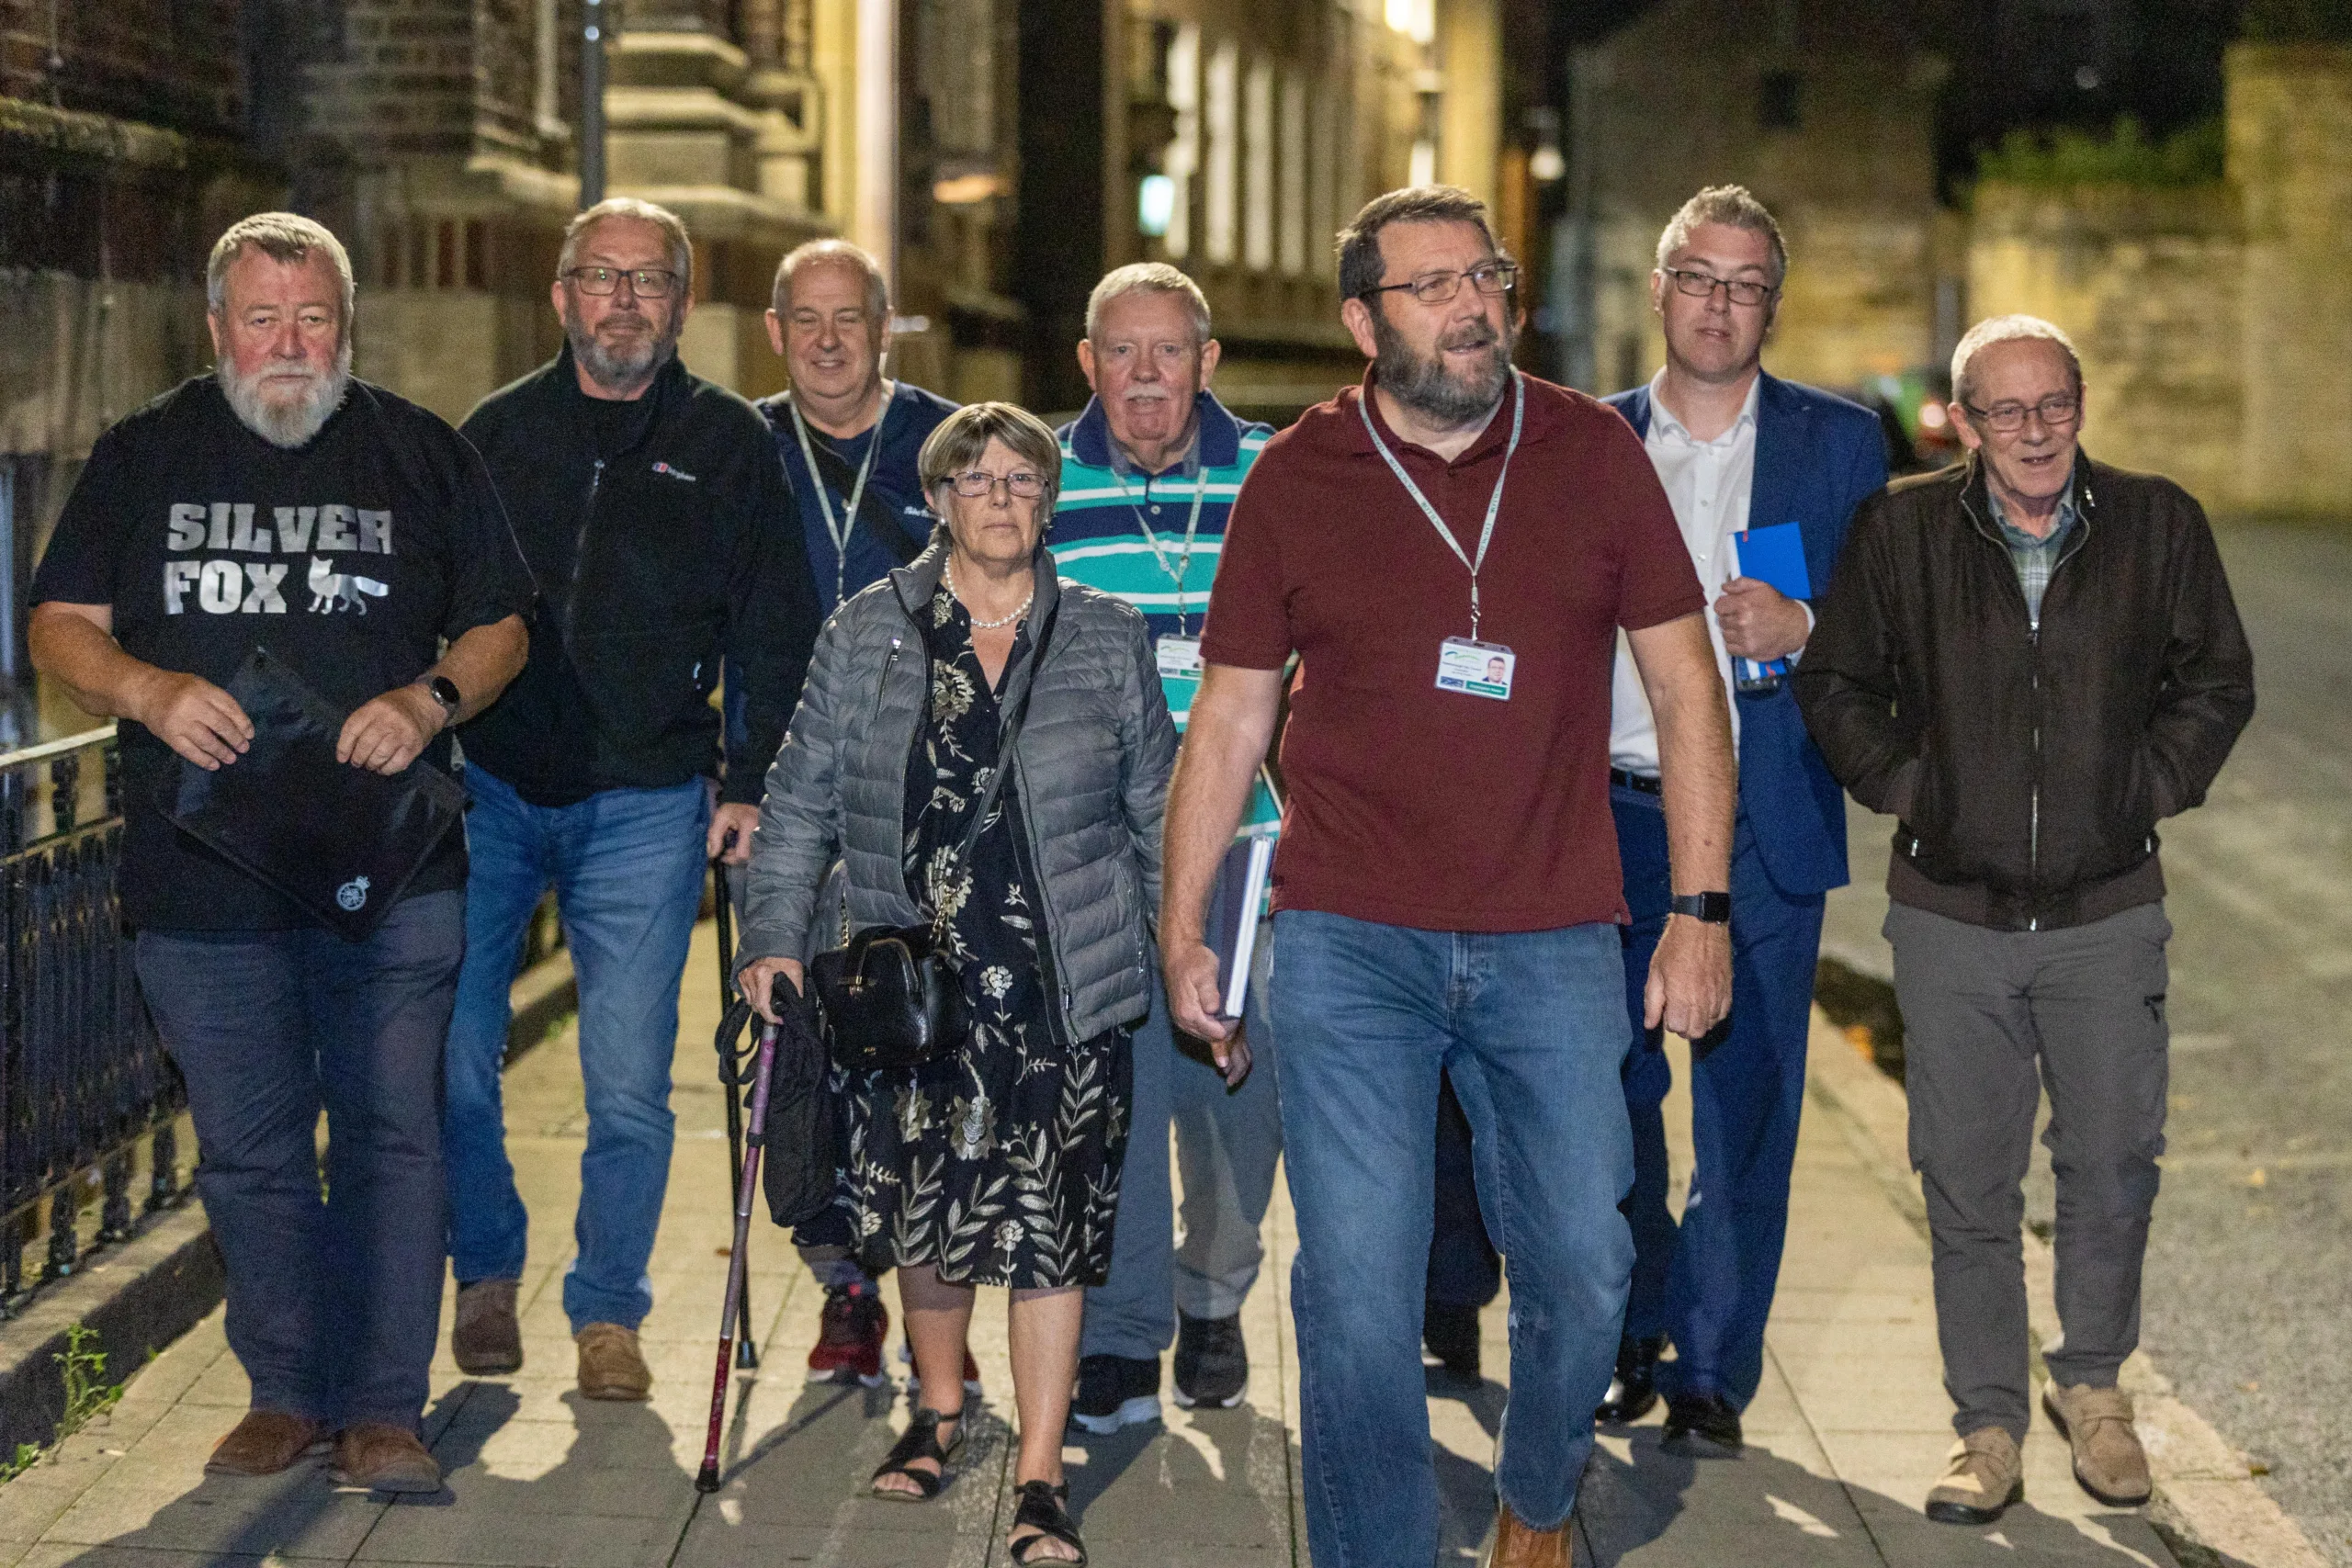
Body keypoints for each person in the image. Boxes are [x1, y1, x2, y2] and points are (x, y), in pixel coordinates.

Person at [1166, 185, 1736, 1568]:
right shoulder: (1298, 476)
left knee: (1589, 1259)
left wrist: (1699, 908)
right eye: (1431, 286)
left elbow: (1682, 681)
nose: (1472, 303)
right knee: (1359, 1286)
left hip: (1552, 928)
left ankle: (1536, 1500)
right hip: (1352, 933)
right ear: (1363, 321)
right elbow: (1233, 714)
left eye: (1484, 275)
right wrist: (1183, 920)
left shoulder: (1593, 454)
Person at [26, 211, 531, 1492]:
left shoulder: (420, 450)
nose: (289, 345)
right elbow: (59, 624)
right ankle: (284, 1388)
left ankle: (382, 1404)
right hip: (202, 884)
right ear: (216, 329)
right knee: (249, 1145)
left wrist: (427, 699)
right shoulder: (144, 453)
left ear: (345, 325)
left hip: (393, 877)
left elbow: (502, 625)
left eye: (313, 319)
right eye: (264, 319)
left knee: (390, 1135)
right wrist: (143, 688)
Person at [1795, 314, 2254, 1525]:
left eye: (2053, 403)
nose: (2035, 429)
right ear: (1965, 421)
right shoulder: (1901, 532)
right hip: (1952, 912)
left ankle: (2093, 1387)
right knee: (1967, 1179)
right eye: (2006, 408)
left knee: (2111, 1161)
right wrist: (1914, 789)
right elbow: (1834, 681)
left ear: (2080, 406)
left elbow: (2218, 682)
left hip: (2111, 909)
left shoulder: (2158, 524)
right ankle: (1988, 1420)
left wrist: (2139, 790)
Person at [736, 400, 1175, 1566]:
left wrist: (1178, 948)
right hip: (911, 986)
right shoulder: (866, 631)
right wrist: (770, 937)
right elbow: (799, 803)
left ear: (1049, 501)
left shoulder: (1104, 635)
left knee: (1051, 1222)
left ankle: (1039, 1470)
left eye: (1023, 482)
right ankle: (936, 1411)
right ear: (935, 501)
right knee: (924, 1209)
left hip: (1059, 986)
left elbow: (1157, 815)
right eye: (974, 480)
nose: (999, 499)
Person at [439, 197, 820, 1400]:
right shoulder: (494, 434)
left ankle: (608, 1308)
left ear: (681, 301)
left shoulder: (728, 444)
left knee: (628, 1077)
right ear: (561, 296)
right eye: (599, 277)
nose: (621, 300)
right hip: (490, 785)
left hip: (649, 800)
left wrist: (753, 781)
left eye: (647, 280)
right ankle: (488, 1265)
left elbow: (778, 627)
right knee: (448, 1053)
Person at [1594, 185, 1887, 1448]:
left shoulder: (1842, 443)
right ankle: (1624, 1324)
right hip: (1606, 811)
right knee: (1598, 1098)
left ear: (1774, 299)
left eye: (1746, 281)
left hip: (1766, 819)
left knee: (1747, 1103)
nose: (1719, 303)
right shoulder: (1584, 440)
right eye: (1697, 277)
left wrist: (1809, 628)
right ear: (1658, 290)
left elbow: (1896, 627)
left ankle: (1711, 1367)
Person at [1048, 261, 1279, 1427]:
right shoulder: (1037, 478)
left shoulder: (1275, 475)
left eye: (1169, 352)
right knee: (1116, 1100)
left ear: (1207, 361)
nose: (1145, 378)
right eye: (1120, 354)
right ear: (1087, 363)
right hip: (1097, 849)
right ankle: (1123, 1332)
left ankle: (1213, 1294)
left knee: (1240, 1094)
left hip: (1252, 846)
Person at [751, 237, 961, 1388]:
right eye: (807, 319)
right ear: (775, 331)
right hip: (785, 805)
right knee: (799, 1063)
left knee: (921, 1043)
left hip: (917, 800)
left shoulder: (945, 443)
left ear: (886, 328)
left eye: (852, 318)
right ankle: (843, 1287)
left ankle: (936, 1294)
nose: (829, 340)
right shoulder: (742, 446)